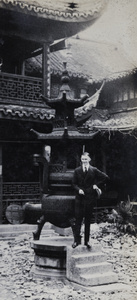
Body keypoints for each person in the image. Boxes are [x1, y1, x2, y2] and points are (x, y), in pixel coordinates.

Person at [72, 152, 109, 249]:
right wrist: (78, 189)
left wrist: (96, 185)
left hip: (89, 198)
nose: (84, 161)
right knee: (78, 220)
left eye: (85, 159)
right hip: (79, 199)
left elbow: (105, 177)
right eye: (82, 159)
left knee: (88, 220)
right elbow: (73, 183)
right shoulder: (77, 170)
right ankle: (76, 241)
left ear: (89, 160)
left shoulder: (94, 170)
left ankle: (87, 241)